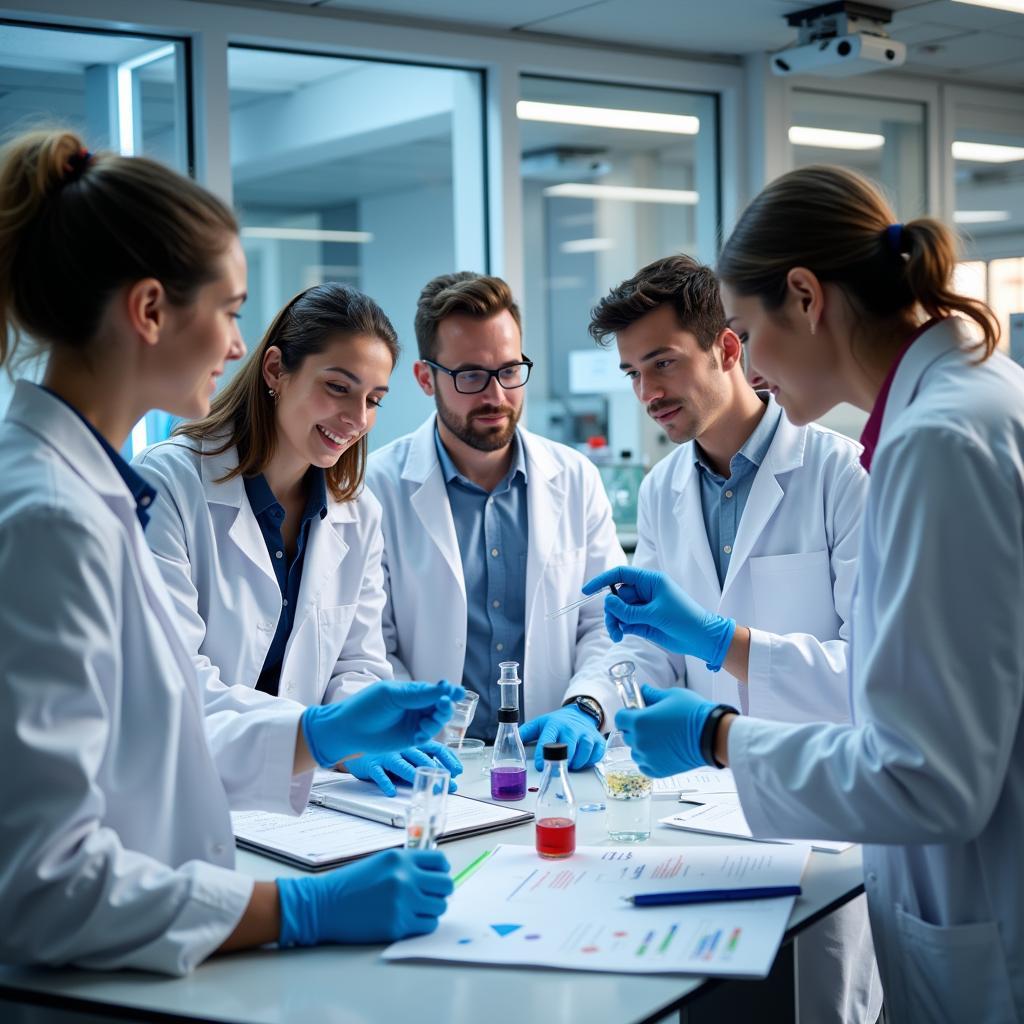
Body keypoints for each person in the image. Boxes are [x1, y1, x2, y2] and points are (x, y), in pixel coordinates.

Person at [0, 129, 461, 976]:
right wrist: (301, 907)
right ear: (148, 311)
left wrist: (329, 731)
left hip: (176, 921)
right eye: (231, 309)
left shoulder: (82, 497)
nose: (238, 345)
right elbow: (42, 883)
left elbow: (169, 736)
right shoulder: (50, 519)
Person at [588, 165, 1022, 1024]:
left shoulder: (932, 443)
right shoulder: (971, 401)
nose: (750, 358)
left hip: (970, 901)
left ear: (805, 296)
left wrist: (718, 735)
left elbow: (924, 774)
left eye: (744, 329)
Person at [588, 253, 880, 1024]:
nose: (648, 393)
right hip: (701, 819)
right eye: (631, 373)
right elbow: (652, 648)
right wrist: (610, 695)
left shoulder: (840, 472)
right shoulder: (660, 489)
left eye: (663, 363)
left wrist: (725, 640)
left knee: (815, 1003)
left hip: (825, 818)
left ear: (727, 347)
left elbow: (871, 675)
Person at [134, 283, 461, 797]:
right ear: (274, 371)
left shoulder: (358, 512)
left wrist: (359, 739)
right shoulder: (172, 482)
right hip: (182, 785)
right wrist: (321, 735)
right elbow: (173, 678)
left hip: (303, 797)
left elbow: (357, 663)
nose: (357, 419)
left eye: (373, 399)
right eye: (337, 387)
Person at [365, 272, 625, 770]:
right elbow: (372, 644)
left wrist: (586, 706)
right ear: (425, 378)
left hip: (552, 759)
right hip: (434, 760)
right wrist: (413, 727)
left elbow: (603, 625)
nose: (496, 396)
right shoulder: (377, 489)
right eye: (470, 376)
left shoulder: (575, 479)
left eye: (509, 371)